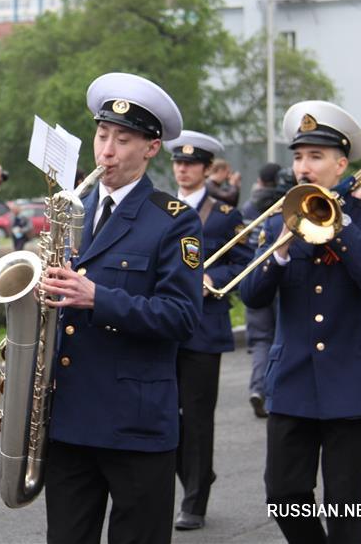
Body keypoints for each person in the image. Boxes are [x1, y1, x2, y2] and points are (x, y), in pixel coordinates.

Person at [39, 72, 203, 544]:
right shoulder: (75, 210)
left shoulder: (173, 219)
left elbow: (182, 316)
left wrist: (97, 298)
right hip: (70, 418)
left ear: (151, 148)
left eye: (123, 139)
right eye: (102, 135)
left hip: (135, 423)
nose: (106, 151)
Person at [240, 101, 361, 544]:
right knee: (283, 493)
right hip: (291, 379)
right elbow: (251, 295)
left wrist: (341, 224)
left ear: (341, 164)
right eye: (297, 157)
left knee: (346, 506)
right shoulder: (278, 224)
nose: (303, 167)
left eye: (315, 157)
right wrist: (282, 250)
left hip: (349, 378)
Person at [165, 131, 253, 531]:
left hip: (203, 327)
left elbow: (244, 264)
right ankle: (196, 476)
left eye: (191, 164)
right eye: (178, 163)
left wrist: (212, 277)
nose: (183, 169)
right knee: (167, 413)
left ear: (205, 169)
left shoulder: (224, 214)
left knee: (198, 417)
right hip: (162, 326)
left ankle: (195, 501)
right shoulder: (159, 208)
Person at [240, 162, 284, 418]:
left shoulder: (248, 206)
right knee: (280, 338)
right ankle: (274, 391)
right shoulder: (287, 202)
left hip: (254, 277)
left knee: (260, 340)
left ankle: (258, 388)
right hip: (279, 276)